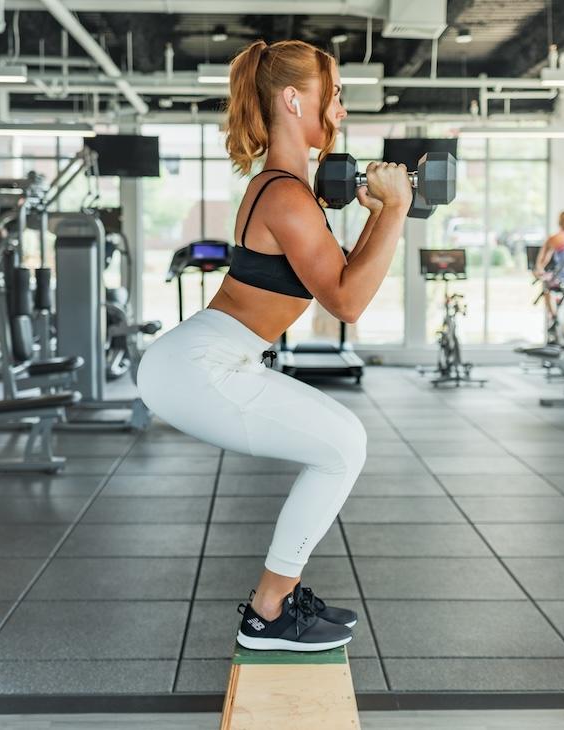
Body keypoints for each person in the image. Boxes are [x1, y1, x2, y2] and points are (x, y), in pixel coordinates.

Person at [135, 39, 412, 652]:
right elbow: (348, 301)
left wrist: (379, 213)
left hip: (211, 358)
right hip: (200, 367)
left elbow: (340, 276)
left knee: (341, 443)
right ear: (294, 99)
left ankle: (275, 605)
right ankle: (268, 612)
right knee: (343, 444)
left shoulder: (289, 188)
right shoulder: (286, 193)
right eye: (332, 92)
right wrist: (394, 211)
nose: (340, 107)